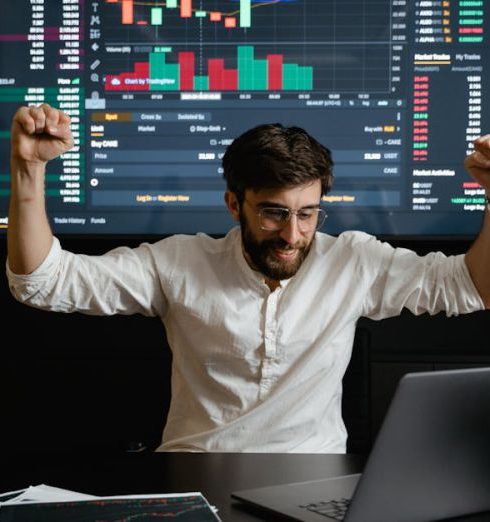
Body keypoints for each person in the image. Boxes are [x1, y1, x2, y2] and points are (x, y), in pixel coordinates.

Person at [6, 103, 490, 453]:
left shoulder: (353, 261)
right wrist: (28, 169)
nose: (293, 235)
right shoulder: (179, 262)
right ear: (235, 204)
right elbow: (43, 281)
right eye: (274, 213)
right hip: (194, 476)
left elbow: (472, 287)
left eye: (308, 215)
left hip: (315, 482)